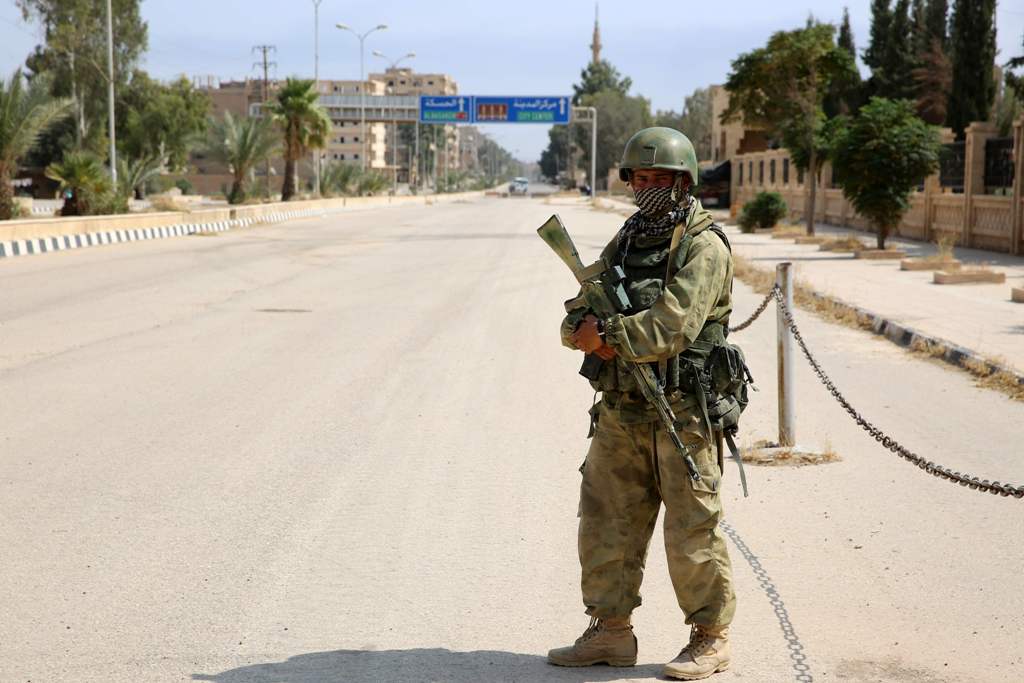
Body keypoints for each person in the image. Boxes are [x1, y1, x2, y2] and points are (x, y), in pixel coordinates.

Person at [547, 127, 736, 680]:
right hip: (622, 409)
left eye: (662, 178)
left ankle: (710, 637)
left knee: (691, 528)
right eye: (641, 177)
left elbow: (673, 326)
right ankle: (610, 633)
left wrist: (604, 332)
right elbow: (574, 316)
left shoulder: (704, 245)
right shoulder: (627, 241)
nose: (650, 186)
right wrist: (584, 329)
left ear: (684, 182)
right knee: (606, 522)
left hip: (683, 410)